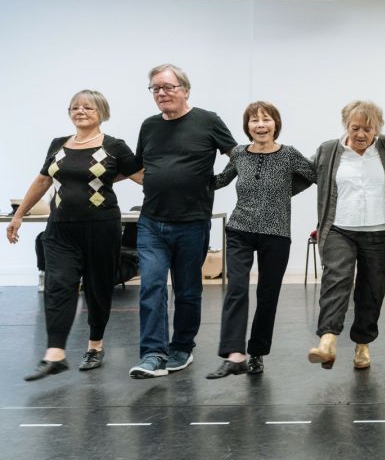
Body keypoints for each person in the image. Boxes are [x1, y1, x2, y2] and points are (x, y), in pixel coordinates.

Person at [6, 90, 141, 380]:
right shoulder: (58, 145)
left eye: (88, 107)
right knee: (58, 284)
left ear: (101, 112)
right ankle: (55, 353)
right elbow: (43, 180)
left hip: (101, 228)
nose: (80, 111)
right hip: (60, 228)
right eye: (74, 107)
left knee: (98, 287)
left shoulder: (114, 146)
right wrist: (19, 215)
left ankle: (95, 345)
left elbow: (142, 175)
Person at [129, 64, 237, 379]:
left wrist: (216, 182)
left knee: (188, 290)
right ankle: (152, 354)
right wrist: (154, 184)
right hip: (151, 221)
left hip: (192, 222)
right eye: (155, 88)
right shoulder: (149, 126)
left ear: (185, 89)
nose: (161, 93)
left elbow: (237, 156)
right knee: (151, 285)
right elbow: (140, 166)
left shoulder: (208, 121)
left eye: (168, 87)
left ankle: (182, 349)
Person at [205, 102, 316, 379]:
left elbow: (315, 175)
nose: (260, 125)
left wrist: (285, 193)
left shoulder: (289, 154)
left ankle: (256, 353)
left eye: (266, 119)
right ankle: (234, 353)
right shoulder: (240, 153)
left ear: (276, 124)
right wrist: (190, 173)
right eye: (254, 121)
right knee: (237, 289)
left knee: (267, 295)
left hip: (276, 234)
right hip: (240, 229)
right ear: (247, 127)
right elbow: (220, 181)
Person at [306, 101, 385, 370]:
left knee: (372, 291)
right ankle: (327, 341)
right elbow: (301, 176)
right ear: (346, 125)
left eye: (368, 128)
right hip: (339, 229)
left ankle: (362, 345)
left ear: (378, 128)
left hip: (381, 231)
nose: (362, 134)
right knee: (336, 280)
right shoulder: (329, 151)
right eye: (355, 128)